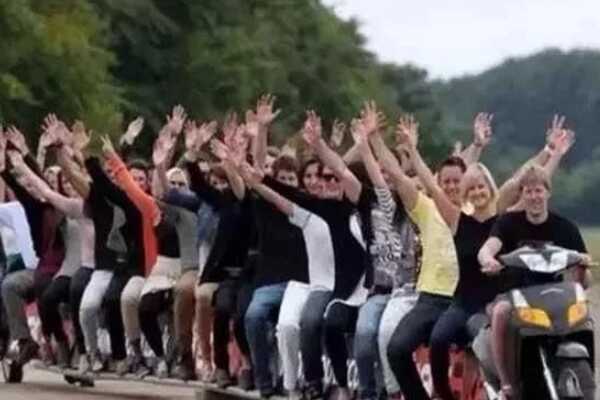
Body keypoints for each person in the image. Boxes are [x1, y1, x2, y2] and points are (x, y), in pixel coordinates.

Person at [478, 165, 591, 399]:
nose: (534, 197)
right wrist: (488, 259)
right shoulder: (508, 223)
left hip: (554, 296)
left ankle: (586, 375)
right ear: (522, 195)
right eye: (528, 192)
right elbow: (488, 249)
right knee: (500, 311)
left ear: (548, 192)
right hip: (515, 295)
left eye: (538, 190)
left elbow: (584, 281)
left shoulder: (565, 227)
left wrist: (583, 266)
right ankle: (508, 385)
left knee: (585, 314)